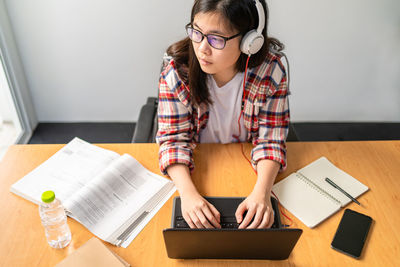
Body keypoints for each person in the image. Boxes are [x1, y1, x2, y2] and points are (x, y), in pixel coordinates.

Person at [156, 0, 289, 229]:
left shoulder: (270, 70)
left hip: (247, 166)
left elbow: (271, 139)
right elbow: (173, 142)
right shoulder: (177, 71)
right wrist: (188, 195)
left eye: (216, 39)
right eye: (196, 33)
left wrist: (262, 193)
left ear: (249, 42)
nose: (202, 49)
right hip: (199, 165)